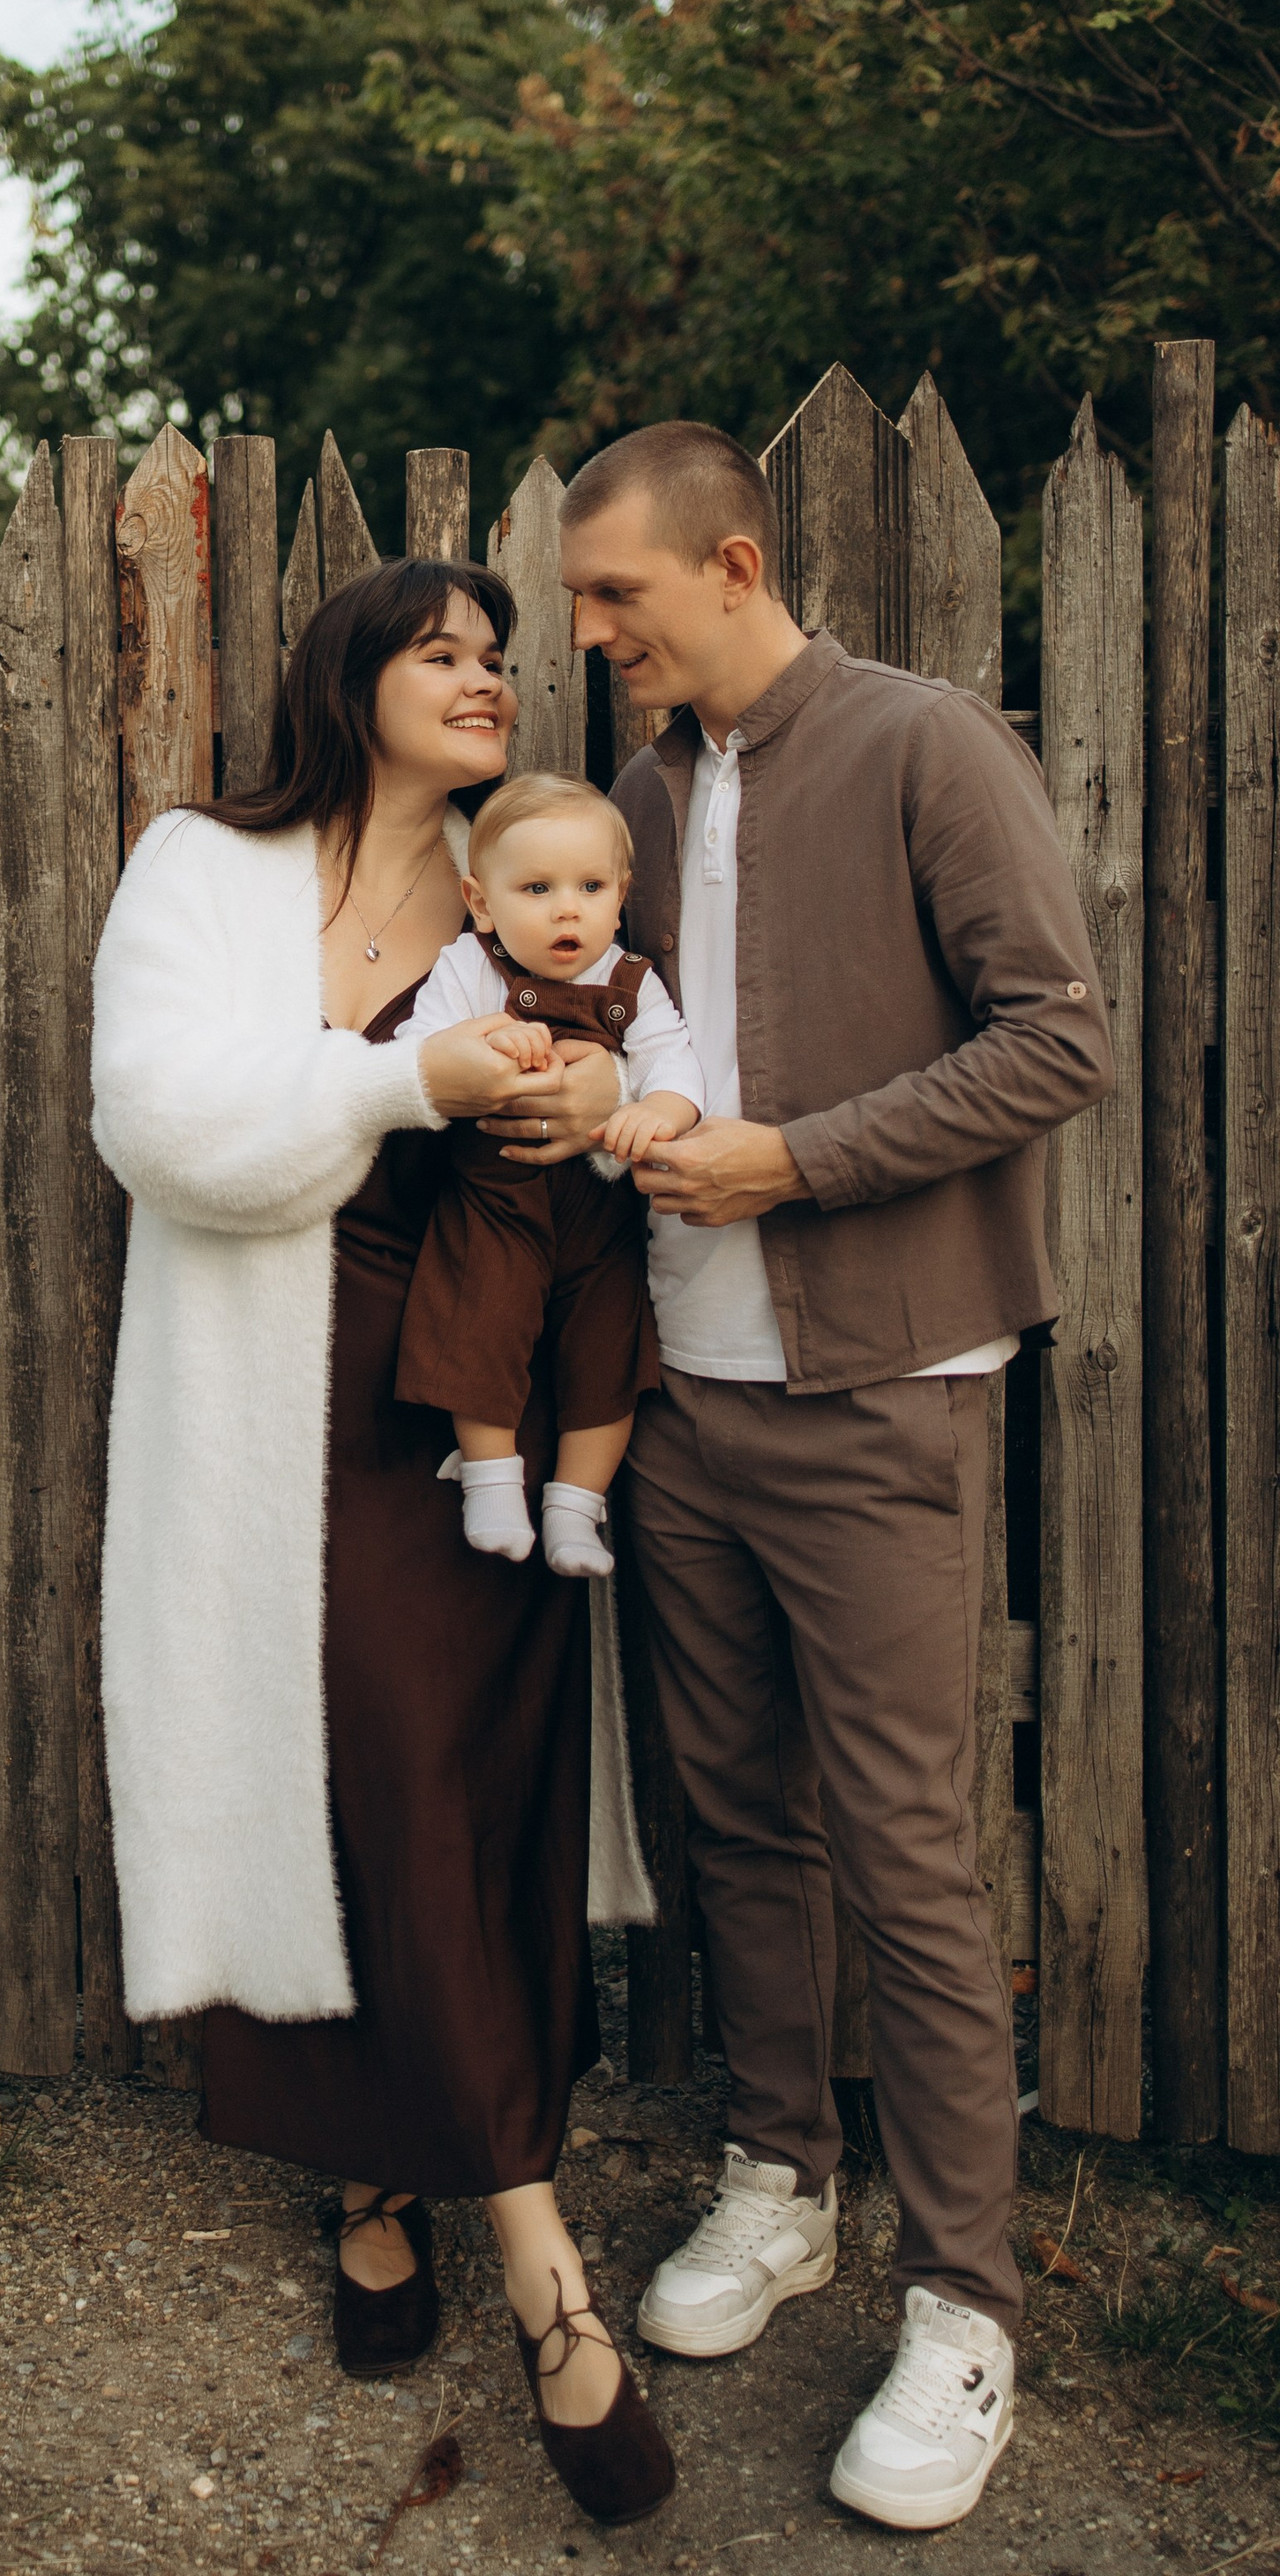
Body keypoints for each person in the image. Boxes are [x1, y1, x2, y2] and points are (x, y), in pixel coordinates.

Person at [551, 420, 1113, 2534]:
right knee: (730, 1819)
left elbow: (1055, 1035)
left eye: (612, 595)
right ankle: (776, 2176)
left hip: (879, 1390)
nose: (584, 632)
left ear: (726, 558)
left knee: (903, 1845)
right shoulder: (636, 791)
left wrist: (790, 1160)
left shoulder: (918, 743)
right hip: (671, 1397)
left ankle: (963, 2299)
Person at [89, 558, 675, 2528]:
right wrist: (393, 1078)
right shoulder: (203, 868)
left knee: (461, 1780)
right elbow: (153, 1119)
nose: (488, 681)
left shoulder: (531, 874)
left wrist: (598, 1095)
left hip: (474, 1394)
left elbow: (644, 1078)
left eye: (500, 657)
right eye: (443, 653)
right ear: (350, 677)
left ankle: (405, 2172)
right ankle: (532, 2268)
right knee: (346, 1779)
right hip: (282, 1392)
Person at [392, 773, 704, 1574]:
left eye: (590, 887)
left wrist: (656, 1111)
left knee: (610, 1352)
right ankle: (491, 1484)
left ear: (621, 894)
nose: (568, 909)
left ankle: (576, 1508)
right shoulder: (470, 967)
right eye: (537, 888)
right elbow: (417, 1059)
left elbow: (677, 1068)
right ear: (482, 900)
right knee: (478, 1321)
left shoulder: (630, 985)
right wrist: (492, 1041)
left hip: (599, 1213)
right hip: (493, 1203)